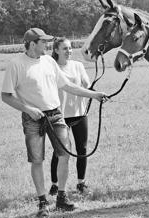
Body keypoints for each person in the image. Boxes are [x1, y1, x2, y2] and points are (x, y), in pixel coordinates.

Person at [1, 28, 107, 217]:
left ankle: (61, 197)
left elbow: (67, 85)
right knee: (37, 160)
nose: (47, 45)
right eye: (44, 42)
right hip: (33, 118)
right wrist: (28, 109)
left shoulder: (49, 61)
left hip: (55, 115)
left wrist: (95, 95)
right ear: (32, 44)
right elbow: (6, 96)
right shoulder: (16, 64)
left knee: (64, 154)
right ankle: (42, 202)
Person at [49, 37, 90, 195]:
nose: (69, 51)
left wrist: (87, 85)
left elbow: (86, 84)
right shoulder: (52, 68)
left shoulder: (78, 66)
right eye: (65, 48)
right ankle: (54, 184)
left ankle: (81, 183)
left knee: (82, 149)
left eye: (70, 48)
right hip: (60, 115)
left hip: (79, 114)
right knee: (59, 152)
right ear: (56, 50)